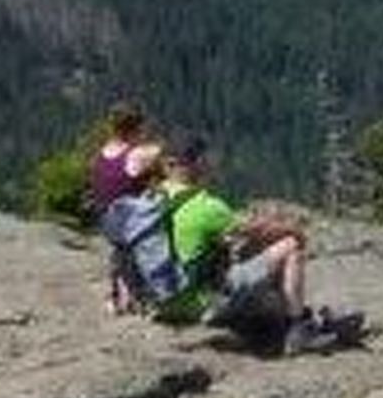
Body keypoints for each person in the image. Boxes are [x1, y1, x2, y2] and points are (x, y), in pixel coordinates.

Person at [154, 136, 337, 356]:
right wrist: (294, 230)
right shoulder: (206, 206)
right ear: (199, 163)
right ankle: (297, 329)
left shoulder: (151, 199)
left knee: (246, 255)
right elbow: (255, 230)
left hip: (161, 299)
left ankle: (282, 314)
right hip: (199, 302)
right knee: (291, 245)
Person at [88, 102, 160, 314]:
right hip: (128, 223)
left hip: (106, 221)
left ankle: (118, 292)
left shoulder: (101, 154)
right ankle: (139, 293)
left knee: (122, 252)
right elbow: (165, 153)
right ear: (137, 128)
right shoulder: (136, 154)